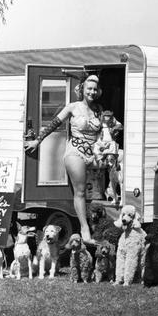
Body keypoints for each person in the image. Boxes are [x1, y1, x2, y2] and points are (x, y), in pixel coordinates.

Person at [24, 74, 104, 243]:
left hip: (94, 152)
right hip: (76, 151)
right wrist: (37, 141)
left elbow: (104, 132)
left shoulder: (99, 109)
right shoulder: (72, 107)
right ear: (82, 89)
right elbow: (53, 124)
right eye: (89, 88)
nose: (92, 91)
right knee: (80, 191)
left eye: (95, 89)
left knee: (101, 188)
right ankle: (85, 229)